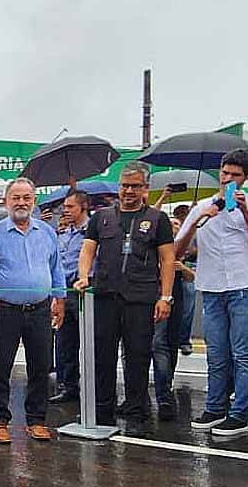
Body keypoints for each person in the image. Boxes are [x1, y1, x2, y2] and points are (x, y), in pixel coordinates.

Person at [174, 149, 248, 437]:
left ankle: (240, 413)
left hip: (244, 285)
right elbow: (177, 251)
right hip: (212, 286)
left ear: (247, 177)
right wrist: (196, 219)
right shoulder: (203, 206)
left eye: (236, 175)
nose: (228, 179)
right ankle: (215, 407)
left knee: (243, 353)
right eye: (225, 173)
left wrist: (243, 211)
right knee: (216, 353)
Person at [74, 162, 175, 432]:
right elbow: (87, 251)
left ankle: (136, 414)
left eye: (135, 186)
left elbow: (167, 259)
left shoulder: (157, 219)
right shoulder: (102, 217)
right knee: (102, 356)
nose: (128, 191)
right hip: (106, 296)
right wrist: (84, 276)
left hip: (141, 298)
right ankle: (102, 412)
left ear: (145, 188)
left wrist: (166, 296)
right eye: (124, 185)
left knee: (138, 357)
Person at [0, 178, 66, 443]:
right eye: (15, 198)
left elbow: (56, 268)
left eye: (26, 198)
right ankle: (0, 421)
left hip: (40, 310)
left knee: (40, 367)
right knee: (1, 368)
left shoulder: (47, 232)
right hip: (6, 311)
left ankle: (37, 420)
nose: (21, 203)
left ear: (34, 201)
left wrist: (60, 299)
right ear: (6, 202)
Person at [49, 190, 93, 404]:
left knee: (91, 343)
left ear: (83, 208)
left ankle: (94, 387)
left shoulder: (93, 232)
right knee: (66, 342)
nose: (65, 211)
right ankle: (69, 386)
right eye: (64, 207)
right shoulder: (64, 234)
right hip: (64, 292)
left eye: (69, 207)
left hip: (85, 291)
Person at [151, 215, 196, 421]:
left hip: (176, 302)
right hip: (156, 299)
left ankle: (166, 385)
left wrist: (181, 267)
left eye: (175, 224)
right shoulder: (156, 248)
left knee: (171, 344)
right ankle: (163, 395)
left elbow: (192, 277)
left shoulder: (179, 252)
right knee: (157, 344)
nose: (172, 227)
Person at [172, 205, 198, 355]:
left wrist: (189, 252)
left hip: (187, 267)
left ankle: (184, 339)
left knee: (187, 308)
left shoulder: (193, 233)